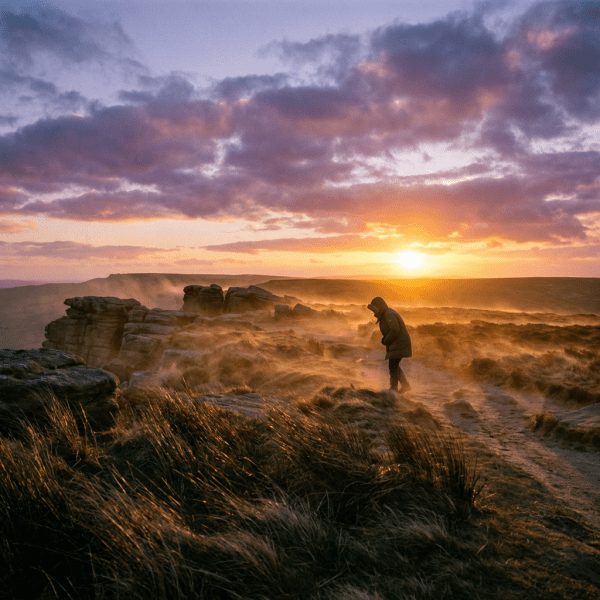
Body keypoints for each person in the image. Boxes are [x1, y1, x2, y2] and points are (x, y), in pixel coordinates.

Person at [367, 296, 412, 393]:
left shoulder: (389, 314)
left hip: (400, 343)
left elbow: (395, 330)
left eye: (375, 311)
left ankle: (394, 390)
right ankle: (404, 386)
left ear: (379, 308)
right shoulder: (386, 314)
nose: (374, 314)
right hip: (397, 344)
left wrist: (386, 340)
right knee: (394, 365)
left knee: (393, 365)